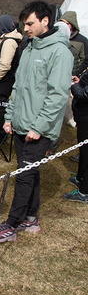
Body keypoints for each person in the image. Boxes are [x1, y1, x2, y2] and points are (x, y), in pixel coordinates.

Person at [0, 1, 73, 243]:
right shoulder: (29, 48)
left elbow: (57, 95)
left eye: (30, 23)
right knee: (30, 173)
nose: (26, 28)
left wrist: (39, 127)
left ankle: (11, 225)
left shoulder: (59, 52)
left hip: (39, 129)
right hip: (21, 124)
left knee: (23, 175)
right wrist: (9, 116)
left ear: (46, 21)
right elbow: (18, 86)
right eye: (24, 24)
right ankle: (30, 218)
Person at [0, 15, 22, 143]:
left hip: (2, 84)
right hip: (0, 84)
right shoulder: (5, 40)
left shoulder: (9, 42)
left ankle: (0, 135)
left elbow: (5, 64)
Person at [62, 71, 88, 203]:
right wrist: (81, 81)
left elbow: (84, 94)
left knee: (87, 153)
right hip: (83, 116)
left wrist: (74, 85)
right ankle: (80, 178)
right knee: (83, 151)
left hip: (86, 116)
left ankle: (84, 192)